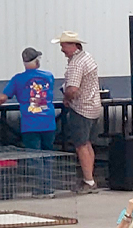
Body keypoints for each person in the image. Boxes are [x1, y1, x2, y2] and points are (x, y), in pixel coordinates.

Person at [0, 47, 58, 197]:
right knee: (48, 154)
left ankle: (41, 188)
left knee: (35, 156)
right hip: (48, 120)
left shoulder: (18, 79)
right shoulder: (48, 76)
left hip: (30, 123)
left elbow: (2, 98)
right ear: (37, 61)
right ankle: (49, 187)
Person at [55, 31, 103, 192]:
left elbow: (73, 89)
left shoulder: (76, 63)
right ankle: (90, 178)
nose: (61, 48)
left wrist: (66, 98)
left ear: (73, 45)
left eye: (63, 45)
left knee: (81, 145)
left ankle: (88, 181)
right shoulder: (87, 57)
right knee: (88, 143)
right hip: (94, 106)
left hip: (81, 108)